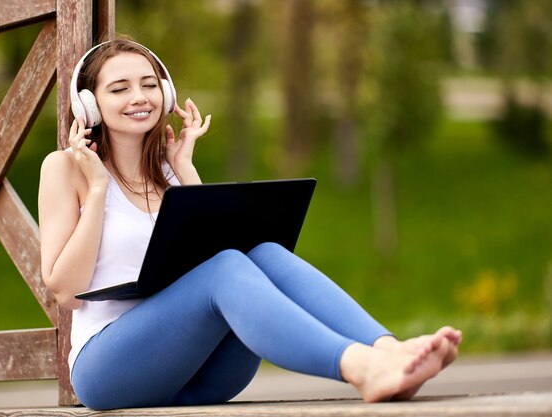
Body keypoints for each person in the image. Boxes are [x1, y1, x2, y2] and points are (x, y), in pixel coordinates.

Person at [38, 37, 462, 411]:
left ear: (165, 94)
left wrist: (185, 173)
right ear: (89, 104)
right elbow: (66, 292)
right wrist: (96, 191)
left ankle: (390, 351)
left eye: (149, 84)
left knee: (262, 253)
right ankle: (361, 368)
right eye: (120, 88)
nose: (140, 96)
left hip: (198, 373)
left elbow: (208, 259)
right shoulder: (66, 169)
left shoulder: (167, 174)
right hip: (109, 369)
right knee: (227, 265)